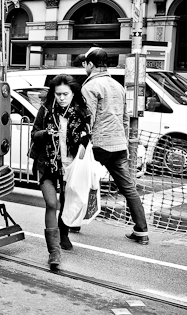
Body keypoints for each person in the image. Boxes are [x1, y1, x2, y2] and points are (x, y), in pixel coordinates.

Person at [79, 46, 149, 245]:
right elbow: (125, 118)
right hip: (118, 144)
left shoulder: (90, 87)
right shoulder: (117, 86)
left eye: (85, 63)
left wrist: (83, 142)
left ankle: (71, 224)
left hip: (98, 145)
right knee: (128, 188)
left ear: (91, 64)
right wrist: (124, 140)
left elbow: (88, 119)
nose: (85, 67)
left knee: (79, 182)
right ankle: (142, 231)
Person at [31, 74, 91, 269]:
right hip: (47, 164)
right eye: (58, 94)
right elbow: (34, 133)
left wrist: (84, 142)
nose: (62, 98)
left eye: (66, 94)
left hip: (71, 166)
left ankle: (63, 233)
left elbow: (88, 136)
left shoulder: (82, 113)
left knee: (66, 204)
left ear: (73, 93)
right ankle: (53, 252)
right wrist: (46, 134)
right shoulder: (46, 110)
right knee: (51, 203)